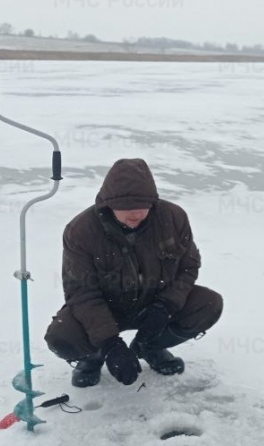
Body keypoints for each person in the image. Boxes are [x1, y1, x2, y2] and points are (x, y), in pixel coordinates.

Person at [45, 158, 223, 388]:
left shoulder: (173, 217)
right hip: (107, 309)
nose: (136, 214)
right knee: (62, 336)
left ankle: (150, 346)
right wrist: (109, 344)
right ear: (109, 204)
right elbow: (81, 292)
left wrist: (165, 306)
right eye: (126, 207)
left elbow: (188, 267)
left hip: (153, 305)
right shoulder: (81, 231)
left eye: (143, 206)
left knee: (208, 304)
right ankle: (93, 357)